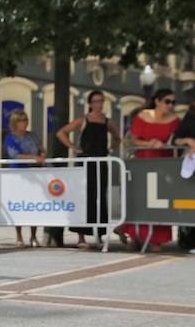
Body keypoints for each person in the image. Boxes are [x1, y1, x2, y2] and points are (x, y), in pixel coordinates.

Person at [57, 90, 121, 249]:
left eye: (101, 101)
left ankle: (99, 233)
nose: (98, 104)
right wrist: (74, 148)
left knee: (100, 197)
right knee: (84, 198)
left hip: (101, 163)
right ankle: (81, 236)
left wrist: (111, 149)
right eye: (95, 101)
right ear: (90, 103)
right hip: (85, 164)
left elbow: (117, 138)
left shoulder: (107, 121)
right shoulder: (83, 120)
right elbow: (61, 133)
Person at [119, 88, 180, 252]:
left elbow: (178, 139)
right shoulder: (143, 116)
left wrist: (170, 144)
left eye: (173, 102)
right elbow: (132, 139)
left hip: (164, 165)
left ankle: (155, 239)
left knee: (159, 200)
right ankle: (134, 235)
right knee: (140, 199)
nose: (170, 105)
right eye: (167, 101)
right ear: (157, 101)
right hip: (143, 164)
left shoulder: (175, 120)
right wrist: (149, 143)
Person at [3, 109, 45, 247]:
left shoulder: (32, 135)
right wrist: (34, 157)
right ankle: (19, 236)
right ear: (15, 122)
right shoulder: (10, 137)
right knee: (20, 205)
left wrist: (42, 153)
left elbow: (41, 148)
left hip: (35, 174)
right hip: (19, 174)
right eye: (21, 120)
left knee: (35, 205)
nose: (24, 123)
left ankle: (33, 236)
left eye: (26, 119)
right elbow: (14, 155)